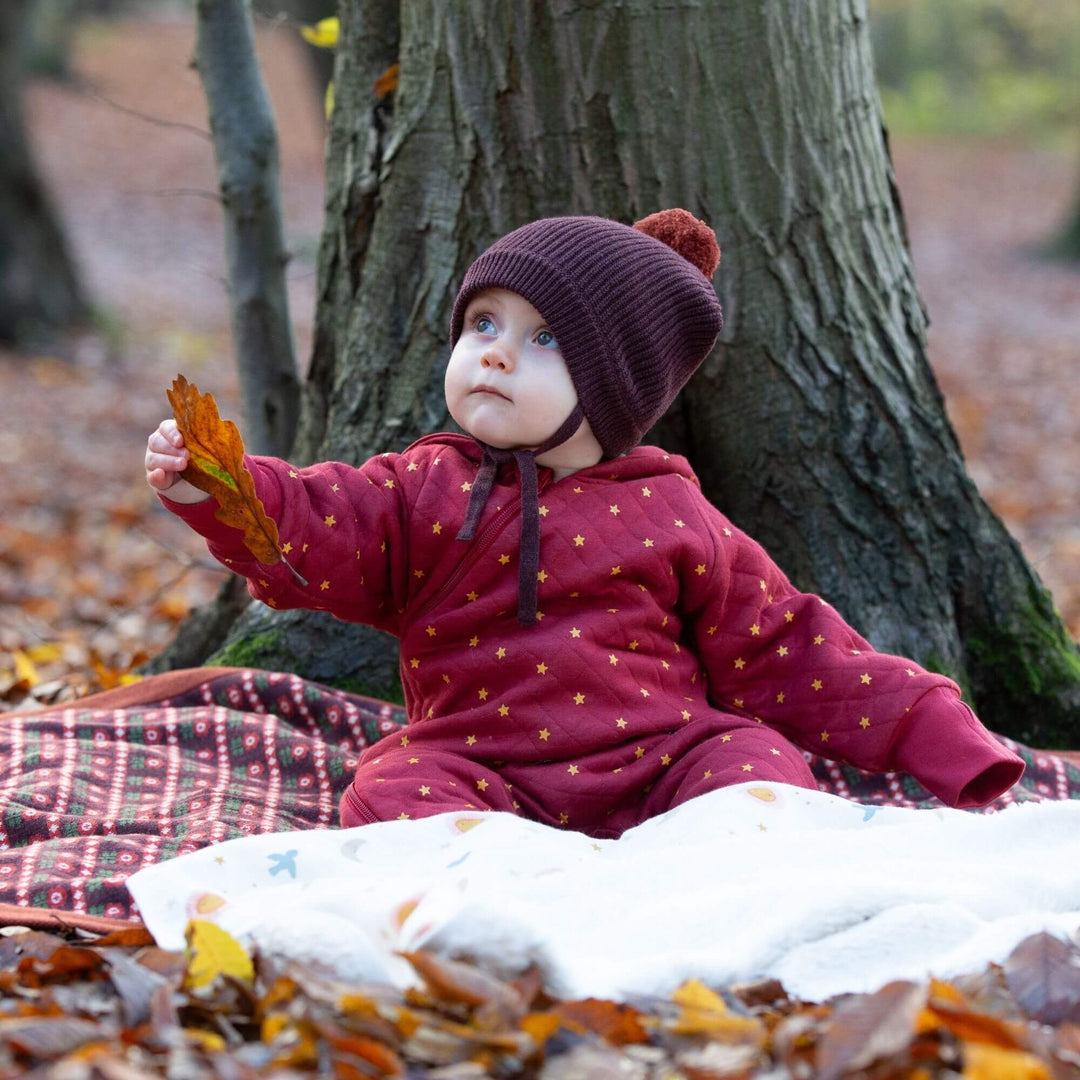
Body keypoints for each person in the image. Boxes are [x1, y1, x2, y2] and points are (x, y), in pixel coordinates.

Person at [145, 209, 1024, 838]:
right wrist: (220, 486)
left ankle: (713, 876)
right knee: (390, 788)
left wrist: (941, 737)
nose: (493, 350)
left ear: (617, 385)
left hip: (664, 761)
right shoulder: (422, 485)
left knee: (759, 774)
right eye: (483, 323)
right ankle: (492, 890)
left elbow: (791, 644)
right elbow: (322, 519)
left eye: (545, 339)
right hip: (477, 761)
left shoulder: (672, 509)